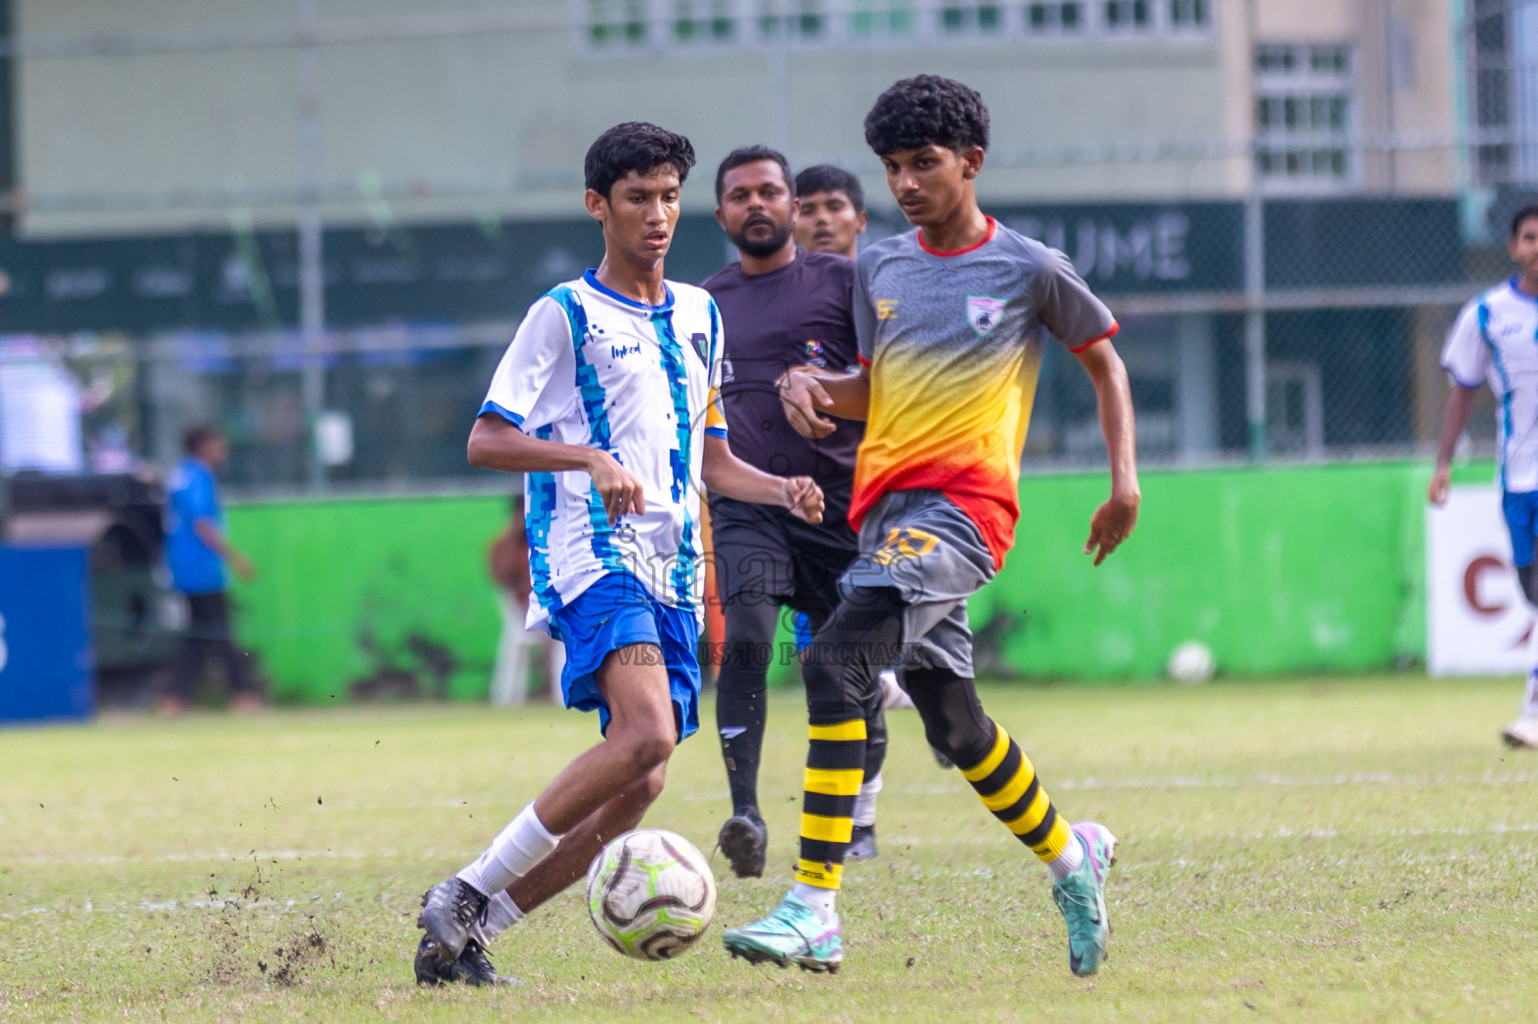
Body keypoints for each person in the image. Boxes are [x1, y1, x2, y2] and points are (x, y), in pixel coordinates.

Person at [722, 76, 1140, 978]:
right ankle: (1075, 858)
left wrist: (1124, 482)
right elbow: (879, 387)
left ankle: (814, 907)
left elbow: (1104, 363)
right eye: (894, 168)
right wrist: (818, 391)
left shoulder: (1029, 267)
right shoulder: (881, 264)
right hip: (886, 519)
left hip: (966, 512)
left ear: (971, 163)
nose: (906, 183)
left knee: (836, 660)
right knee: (954, 728)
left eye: (924, 164)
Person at [411, 121, 825, 987]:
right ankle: (463, 890)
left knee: (645, 777)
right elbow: (487, 440)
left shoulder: (703, 313)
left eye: (670, 196)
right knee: (643, 732)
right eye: (638, 197)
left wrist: (781, 488)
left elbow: (712, 462)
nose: (658, 214)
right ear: (598, 206)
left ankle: (473, 928)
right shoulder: (562, 314)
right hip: (591, 554)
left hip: (677, 568)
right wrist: (589, 459)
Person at [703, 145, 888, 877]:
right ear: (720, 213)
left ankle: (849, 819)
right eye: (740, 194)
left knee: (846, 674)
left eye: (769, 192)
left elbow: (889, 375)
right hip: (749, 504)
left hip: (842, 512)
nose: (756, 204)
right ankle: (744, 813)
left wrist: (823, 382)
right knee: (746, 633)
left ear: (790, 204)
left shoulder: (846, 282)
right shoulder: (702, 304)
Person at [1429, 202, 1538, 749]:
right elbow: (1462, 392)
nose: (1537, 248)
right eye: (1530, 238)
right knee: (1531, 591)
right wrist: (1444, 462)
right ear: (1513, 247)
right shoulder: (1487, 314)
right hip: (1520, 478)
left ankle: (1534, 711)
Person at [161, 425, 261, 715]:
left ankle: (175, 698)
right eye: (218, 444)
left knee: (197, 633)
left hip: (182, 564)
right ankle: (242, 694)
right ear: (203, 446)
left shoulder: (181, 474)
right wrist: (235, 557)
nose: (223, 450)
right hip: (200, 566)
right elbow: (203, 524)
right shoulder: (197, 477)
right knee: (221, 631)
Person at [488, 495, 565, 706]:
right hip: (522, 614)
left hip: (552, 611)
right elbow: (500, 577)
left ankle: (561, 692)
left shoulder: (547, 541)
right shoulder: (503, 545)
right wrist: (515, 536)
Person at [794, 164, 869, 261]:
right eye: (807, 211)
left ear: (860, 221)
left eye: (835, 208)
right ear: (792, 228)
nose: (822, 218)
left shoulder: (882, 275)